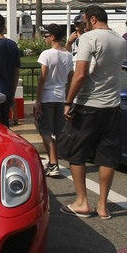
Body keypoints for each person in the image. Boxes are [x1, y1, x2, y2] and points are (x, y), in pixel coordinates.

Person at [59, 4, 127, 220]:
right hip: (112, 106)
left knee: (76, 154)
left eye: (85, 20)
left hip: (89, 104)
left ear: (93, 19)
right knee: (107, 157)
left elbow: (80, 74)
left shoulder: (88, 38)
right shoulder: (120, 40)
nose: (84, 23)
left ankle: (82, 202)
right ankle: (103, 206)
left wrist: (68, 101)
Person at [34, 24, 73, 178]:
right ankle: (54, 161)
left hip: (47, 97)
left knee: (45, 131)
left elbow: (42, 78)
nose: (45, 38)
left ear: (52, 37)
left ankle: (53, 163)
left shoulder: (47, 54)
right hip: (61, 96)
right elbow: (70, 77)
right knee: (57, 131)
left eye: (46, 35)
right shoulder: (68, 55)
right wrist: (68, 98)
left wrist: (37, 100)